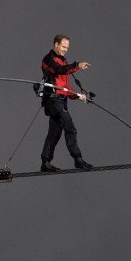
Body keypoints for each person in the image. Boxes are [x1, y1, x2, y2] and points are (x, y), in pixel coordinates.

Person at [40, 34, 93, 172]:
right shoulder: (49, 60)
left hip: (61, 100)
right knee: (70, 127)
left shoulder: (62, 60)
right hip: (53, 100)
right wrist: (78, 66)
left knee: (54, 132)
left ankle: (45, 162)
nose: (65, 50)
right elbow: (59, 70)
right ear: (55, 44)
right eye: (63, 46)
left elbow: (65, 86)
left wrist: (78, 95)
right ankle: (78, 159)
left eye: (67, 47)